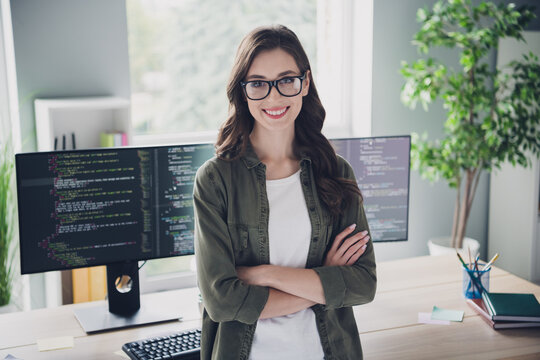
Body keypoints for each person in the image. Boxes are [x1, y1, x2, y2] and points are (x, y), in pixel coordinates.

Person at [193, 24, 376, 360]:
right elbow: (222, 302)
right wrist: (325, 279)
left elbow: (363, 284)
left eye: (286, 80)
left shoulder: (335, 172)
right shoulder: (215, 181)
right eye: (258, 84)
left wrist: (264, 275)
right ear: (242, 91)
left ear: (304, 83)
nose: (274, 97)